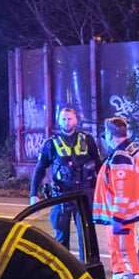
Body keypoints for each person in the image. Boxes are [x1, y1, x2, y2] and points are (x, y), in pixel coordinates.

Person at [92, 116, 139, 279]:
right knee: (117, 251)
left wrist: (119, 215)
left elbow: (122, 190)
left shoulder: (120, 155)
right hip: (118, 214)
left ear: (110, 135)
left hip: (121, 214)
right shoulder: (128, 150)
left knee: (125, 253)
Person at [28, 106, 102, 249]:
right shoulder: (51, 144)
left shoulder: (87, 140)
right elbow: (40, 170)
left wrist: (105, 191)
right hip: (61, 196)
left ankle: (87, 263)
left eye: (69, 119)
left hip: (84, 195)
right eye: (63, 119)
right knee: (61, 239)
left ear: (76, 120)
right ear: (58, 121)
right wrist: (33, 195)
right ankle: (62, 264)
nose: (67, 122)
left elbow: (99, 166)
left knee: (87, 238)